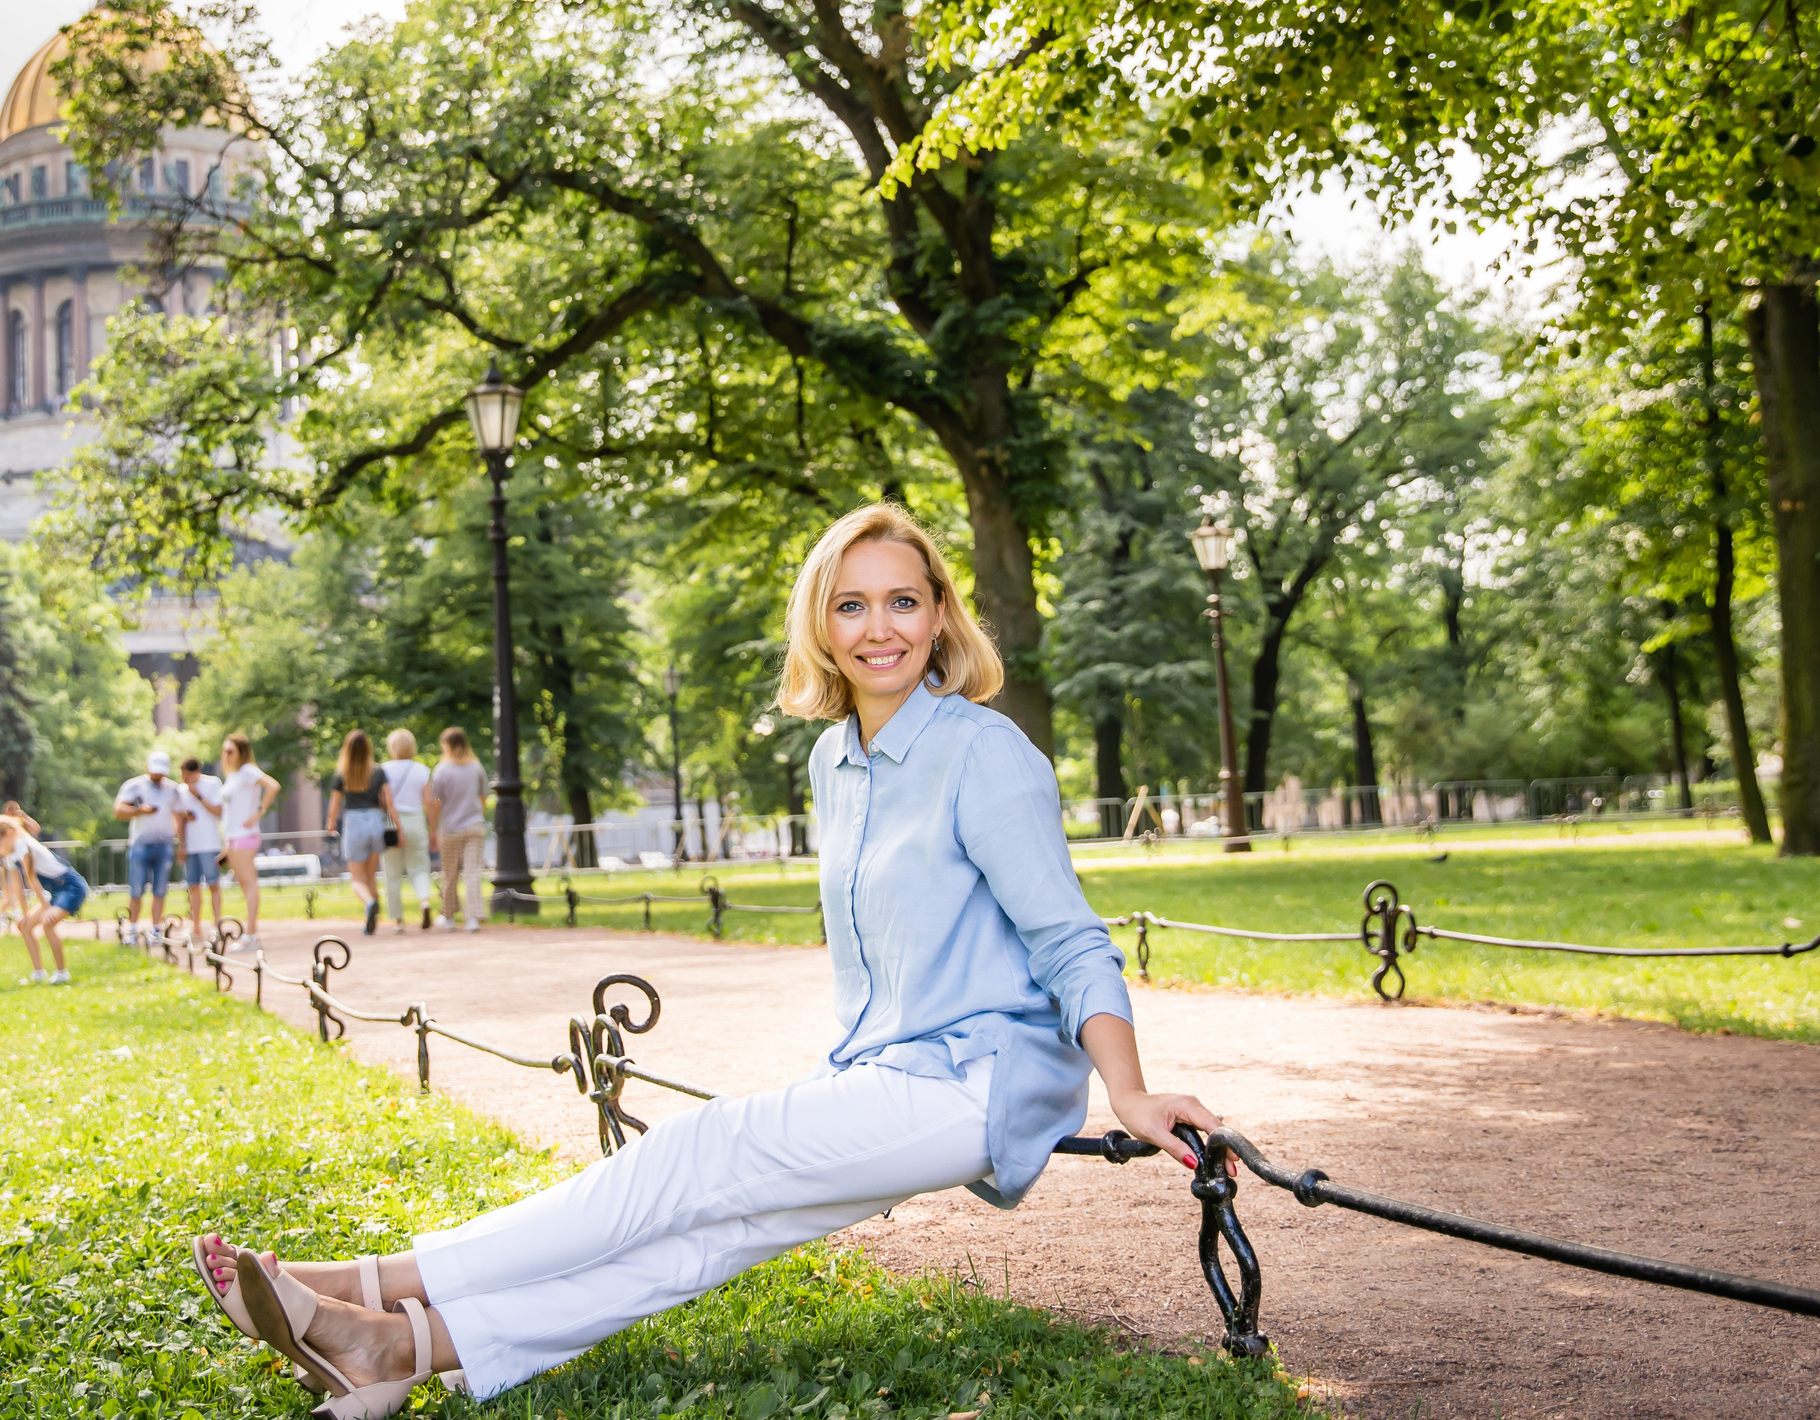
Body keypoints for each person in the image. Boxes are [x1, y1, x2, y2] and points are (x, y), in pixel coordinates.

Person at [189, 504, 1220, 1414]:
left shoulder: (984, 751)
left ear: (942, 614)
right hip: (883, 1073)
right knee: (715, 1236)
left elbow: (1067, 936)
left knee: (697, 1156)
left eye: (903, 602)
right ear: (821, 623)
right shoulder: (834, 757)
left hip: (976, 1080)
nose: (880, 629)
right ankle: (397, 1348)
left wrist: (1125, 1090)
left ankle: (374, 1282)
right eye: (851, 606)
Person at [0, 816, 86, 985]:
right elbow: (17, 885)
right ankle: (38, 973)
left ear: (9, 833)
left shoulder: (22, 845)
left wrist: (47, 909)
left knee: (48, 923)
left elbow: (31, 878)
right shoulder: (11, 854)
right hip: (55, 892)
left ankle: (62, 973)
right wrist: (24, 913)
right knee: (24, 926)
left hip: (70, 887)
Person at [115, 751, 189, 942]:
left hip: (164, 844)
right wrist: (139, 810)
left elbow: (179, 816)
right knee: (136, 889)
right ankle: (132, 929)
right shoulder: (134, 786)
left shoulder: (172, 789)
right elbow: (118, 810)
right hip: (140, 844)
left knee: (160, 889)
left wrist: (182, 844)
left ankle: (156, 929)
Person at [423, 728, 488, 934]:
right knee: (473, 873)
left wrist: (433, 829)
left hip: (450, 827)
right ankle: (472, 918)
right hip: (474, 825)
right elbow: (483, 797)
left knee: (450, 873)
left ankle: (449, 916)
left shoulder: (442, 770)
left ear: (447, 746)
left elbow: (435, 803)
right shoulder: (476, 767)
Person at [327, 730, 390, 936]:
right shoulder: (378, 772)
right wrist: (396, 824)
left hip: (354, 822)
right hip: (375, 820)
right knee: (371, 875)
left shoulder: (342, 773)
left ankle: (370, 903)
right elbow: (388, 801)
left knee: (357, 879)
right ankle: (373, 920)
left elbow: (335, 803)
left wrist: (331, 823)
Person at [219, 733, 277, 947]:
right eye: (224, 751)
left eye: (230, 751)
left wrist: (259, 812)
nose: (226, 755)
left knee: (249, 882)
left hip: (245, 835)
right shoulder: (232, 775)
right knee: (243, 883)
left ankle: (251, 933)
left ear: (241, 753)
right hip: (233, 837)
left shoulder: (247, 771)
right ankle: (251, 932)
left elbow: (273, 785)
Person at [376, 730, 433, 933]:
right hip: (416, 821)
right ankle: (424, 901)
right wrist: (433, 829)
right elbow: (429, 802)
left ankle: (398, 920)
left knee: (391, 873)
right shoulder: (422, 770)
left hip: (392, 823)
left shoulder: (383, 770)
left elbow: (384, 801)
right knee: (419, 868)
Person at [179, 757, 228, 936]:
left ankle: (217, 925)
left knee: (213, 884)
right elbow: (178, 818)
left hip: (209, 843)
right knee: (193, 886)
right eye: (183, 776)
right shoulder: (180, 790)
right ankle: (196, 927)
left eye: (188, 776)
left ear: (197, 773)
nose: (185, 780)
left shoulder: (213, 783)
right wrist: (182, 844)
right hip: (191, 845)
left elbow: (218, 811)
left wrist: (198, 796)